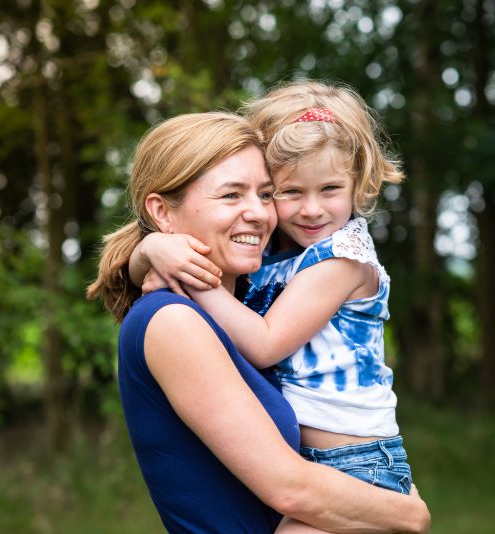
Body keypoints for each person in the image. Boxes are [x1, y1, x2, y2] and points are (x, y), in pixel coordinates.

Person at [88, 111, 430, 533]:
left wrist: (147, 251)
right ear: (162, 211)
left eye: (265, 195)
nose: (258, 213)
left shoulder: (247, 307)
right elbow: (290, 489)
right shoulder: (173, 319)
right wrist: (410, 515)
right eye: (231, 195)